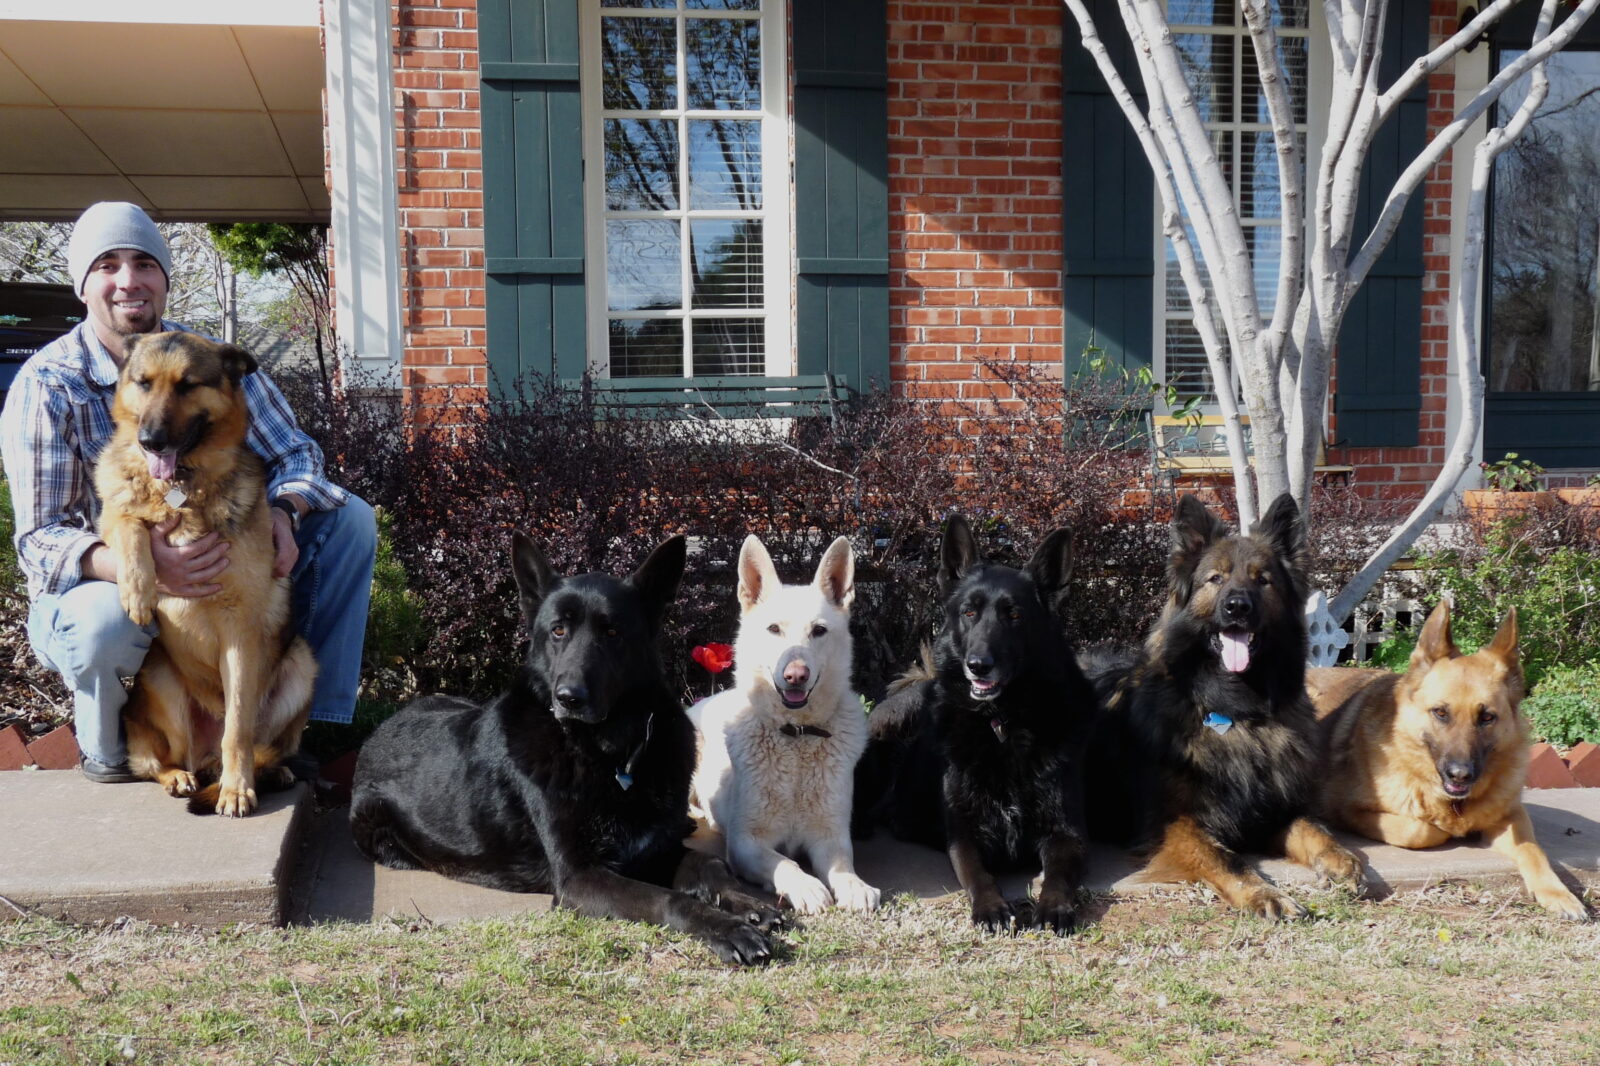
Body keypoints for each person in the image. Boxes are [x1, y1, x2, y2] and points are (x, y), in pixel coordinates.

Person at [0, 201, 376, 782]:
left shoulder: (208, 360)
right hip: (98, 590)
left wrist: (284, 511)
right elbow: (39, 539)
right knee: (105, 617)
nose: (128, 280)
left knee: (348, 520)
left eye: (144, 263)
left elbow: (298, 454)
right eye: (107, 265)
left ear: (164, 279)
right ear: (83, 286)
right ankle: (108, 750)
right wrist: (143, 565)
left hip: (208, 580)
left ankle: (293, 730)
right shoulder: (47, 384)